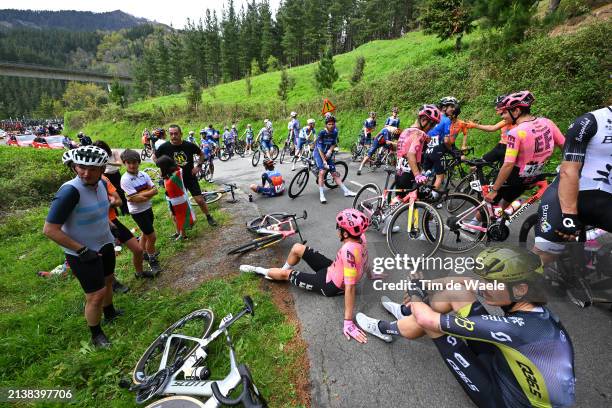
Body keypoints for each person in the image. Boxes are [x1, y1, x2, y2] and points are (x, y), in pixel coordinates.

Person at [356, 247, 576, 408]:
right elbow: (464, 282)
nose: (484, 286)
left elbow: (427, 321)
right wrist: (424, 286)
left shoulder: (515, 329)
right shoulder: (532, 309)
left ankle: (385, 328)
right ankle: (406, 312)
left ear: (520, 290)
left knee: (432, 323)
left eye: (491, 283)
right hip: (509, 368)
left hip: (507, 400)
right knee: (457, 293)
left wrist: (414, 292)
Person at [240, 209, 370, 343]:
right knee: (297, 247)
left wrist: (348, 322)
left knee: (286, 275)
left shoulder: (348, 251)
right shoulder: (361, 238)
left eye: (338, 228)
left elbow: (350, 287)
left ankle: (258, 270)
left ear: (345, 233)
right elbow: (365, 259)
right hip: (332, 268)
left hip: (329, 284)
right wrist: (371, 274)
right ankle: (280, 271)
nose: (336, 230)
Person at [43, 146, 122, 348]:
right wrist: (81, 250)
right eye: (81, 167)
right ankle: (96, 335)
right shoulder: (70, 191)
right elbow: (50, 229)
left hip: (104, 243)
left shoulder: (102, 185)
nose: (86, 173)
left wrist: (110, 227)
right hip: (82, 252)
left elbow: (99, 209)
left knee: (108, 281)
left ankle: (110, 312)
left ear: (103, 169)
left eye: (93, 169)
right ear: (74, 166)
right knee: (95, 295)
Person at [533, 106, 612, 305]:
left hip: (605, 199)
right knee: (545, 253)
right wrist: (569, 216)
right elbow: (569, 170)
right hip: (570, 193)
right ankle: (515, 290)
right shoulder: (591, 121)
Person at [483, 91, 565, 208]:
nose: (502, 116)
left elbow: (508, 164)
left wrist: (495, 190)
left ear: (516, 111)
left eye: (505, 112)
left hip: (514, 177)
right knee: (505, 204)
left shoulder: (515, 133)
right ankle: (500, 220)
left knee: (489, 206)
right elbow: (565, 146)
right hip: (532, 176)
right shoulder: (548, 122)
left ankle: (474, 223)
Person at [154, 124, 218, 226]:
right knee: (175, 204)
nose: (173, 136)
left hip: (189, 176)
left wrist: (198, 166)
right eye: (171, 134)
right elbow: (155, 157)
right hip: (174, 179)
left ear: (181, 134)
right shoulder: (164, 147)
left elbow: (201, 154)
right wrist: (162, 168)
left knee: (199, 200)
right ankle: (181, 227)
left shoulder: (189, 145)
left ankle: (208, 216)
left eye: (176, 133)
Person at [120, 149, 161, 275]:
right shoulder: (125, 179)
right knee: (152, 237)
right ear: (124, 163)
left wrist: (142, 195)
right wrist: (146, 194)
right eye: (129, 163)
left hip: (147, 208)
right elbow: (137, 199)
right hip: (137, 212)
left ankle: (144, 253)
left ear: (139, 162)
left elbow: (155, 190)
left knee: (145, 233)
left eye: (135, 162)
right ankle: (152, 258)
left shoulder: (144, 174)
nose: (132, 165)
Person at [421, 96, 459, 199]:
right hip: (436, 151)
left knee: (425, 175)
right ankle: (431, 199)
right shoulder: (446, 120)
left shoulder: (433, 118)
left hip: (427, 150)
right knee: (440, 177)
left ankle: (419, 193)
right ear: (444, 108)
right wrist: (451, 149)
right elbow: (446, 140)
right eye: (451, 106)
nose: (453, 109)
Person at [314, 115, 356, 204]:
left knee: (334, 173)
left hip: (328, 153)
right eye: (329, 124)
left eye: (333, 124)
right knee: (322, 172)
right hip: (319, 153)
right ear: (326, 125)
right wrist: (324, 161)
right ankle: (322, 194)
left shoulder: (335, 132)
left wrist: (330, 150)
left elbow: (334, 143)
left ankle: (346, 191)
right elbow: (319, 148)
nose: (331, 126)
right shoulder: (322, 133)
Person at [157, 155, 196, 240]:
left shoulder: (176, 174)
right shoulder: (171, 173)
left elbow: (169, 183)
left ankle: (183, 235)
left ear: (164, 166)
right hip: (171, 198)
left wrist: (163, 176)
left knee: (178, 217)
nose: (159, 169)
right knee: (173, 216)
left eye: (160, 167)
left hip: (177, 200)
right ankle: (178, 232)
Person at [467, 94, 515, 165]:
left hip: (510, 149)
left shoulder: (519, 123)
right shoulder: (505, 121)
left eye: (503, 112)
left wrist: (475, 125)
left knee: (504, 171)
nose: (502, 116)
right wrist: (475, 125)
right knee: (477, 164)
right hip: (500, 146)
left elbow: (492, 128)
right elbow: (492, 128)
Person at [94, 141, 129, 216]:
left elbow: (120, 164)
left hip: (116, 174)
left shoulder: (113, 152)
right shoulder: (98, 156)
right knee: (110, 194)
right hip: (106, 176)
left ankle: (125, 211)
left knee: (120, 192)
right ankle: (115, 213)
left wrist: (108, 162)